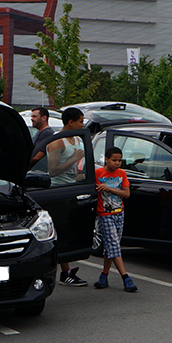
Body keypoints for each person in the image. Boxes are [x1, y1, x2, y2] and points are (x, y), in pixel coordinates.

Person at [45, 108, 89, 286]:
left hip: (74, 187)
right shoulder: (57, 142)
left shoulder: (78, 138)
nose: (82, 124)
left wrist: (79, 176)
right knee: (60, 231)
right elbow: (53, 170)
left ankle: (67, 269)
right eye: (80, 121)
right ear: (70, 122)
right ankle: (65, 272)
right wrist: (73, 159)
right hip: (59, 191)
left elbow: (78, 165)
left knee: (72, 229)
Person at [94, 146, 137, 292]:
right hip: (105, 213)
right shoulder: (98, 173)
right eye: (114, 160)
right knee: (114, 245)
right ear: (106, 160)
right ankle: (125, 277)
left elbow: (126, 194)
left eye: (119, 160)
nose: (117, 163)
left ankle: (104, 275)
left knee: (112, 247)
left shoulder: (122, 174)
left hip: (119, 212)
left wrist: (109, 189)